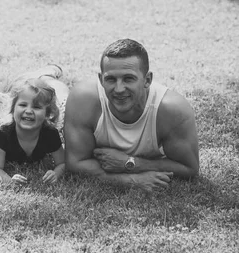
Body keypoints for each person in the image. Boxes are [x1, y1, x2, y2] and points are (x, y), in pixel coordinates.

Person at [64, 38, 199, 192]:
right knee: (54, 92)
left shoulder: (172, 109)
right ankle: (48, 74)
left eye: (128, 78)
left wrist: (130, 163)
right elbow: (75, 163)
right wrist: (131, 180)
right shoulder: (82, 99)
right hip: (62, 105)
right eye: (111, 79)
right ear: (101, 80)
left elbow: (189, 168)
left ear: (147, 80)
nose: (119, 89)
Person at [0, 76, 66, 184]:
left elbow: (62, 163)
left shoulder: (50, 134)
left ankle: (49, 75)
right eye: (23, 105)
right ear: (12, 109)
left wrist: (56, 173)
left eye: (36, 107)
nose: (28, 111)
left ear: (47, 113)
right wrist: (9, 181)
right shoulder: (3, 134)